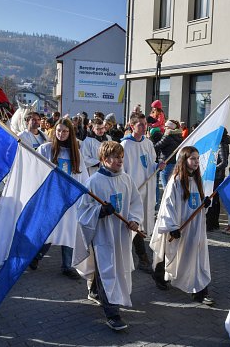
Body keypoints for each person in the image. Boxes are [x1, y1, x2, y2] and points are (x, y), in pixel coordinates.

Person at [75, 141, 143, 331]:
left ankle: (95, 290)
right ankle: (112, 314)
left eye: (121, 156)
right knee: (107, 270)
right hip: (103, 236)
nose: (120, 160)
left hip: (121, 234)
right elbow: (82, 212)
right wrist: (100, 211)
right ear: (104, 159)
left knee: (114, 269)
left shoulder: (126, 179)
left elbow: (135, 203)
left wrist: (134, 220)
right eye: (115, 157)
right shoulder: (93, 182)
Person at [150, 146, 214, 304]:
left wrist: (204, 204)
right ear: (184, 160)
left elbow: (196, 204)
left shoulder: (198, 180)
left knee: (196, 256)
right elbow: (168, 205)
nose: (196, 162)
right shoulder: (176, 180)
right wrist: (172, 227)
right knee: (170, 252)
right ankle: (159, 275)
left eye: (198, 158)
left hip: (194, 227)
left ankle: (199, 292)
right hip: (179, 225)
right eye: (193, 158)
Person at [33, 118, 89, 278]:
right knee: (50, 228)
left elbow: (83, 175)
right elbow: (36, 170)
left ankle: (67, 266)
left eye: (65, 131)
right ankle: (36, 256)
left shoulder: (75, 152)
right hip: (52, 198)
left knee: (69, 230)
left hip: (70, 199)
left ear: (70, 133)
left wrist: (85, 193)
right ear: (54, 131)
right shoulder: (46, 149)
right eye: (59, 130)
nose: (61, 134)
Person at [120, 112, 166, 272]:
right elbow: (121, 170)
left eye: (145, 124)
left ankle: (141, 257)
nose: (144, 126)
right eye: (140, 124)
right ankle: (142, 258)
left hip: (146, 189)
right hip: (133, 191)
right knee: (134, 223)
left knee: (142, 223)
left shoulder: (148, 143)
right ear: (132, 126)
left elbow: (151, 164)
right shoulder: (125, 145)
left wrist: (158, 166)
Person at [206, 128, 230, 232]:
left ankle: (211, 223)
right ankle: (214, 223)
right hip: (217, 175)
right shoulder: (222, 143)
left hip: (217, 176)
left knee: (213, 199)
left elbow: (224, 162)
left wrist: (213, 169)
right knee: (215, 200)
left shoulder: (221, 144)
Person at [154, 119, 183, 188]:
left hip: (166, 163)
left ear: (170, 128)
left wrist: (150, 139)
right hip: (175, 163)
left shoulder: (167, 136)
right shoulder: (179, 136)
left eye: (166, 127)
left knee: (166, 187)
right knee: (172, 186)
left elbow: (156, 147)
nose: (164, 128)